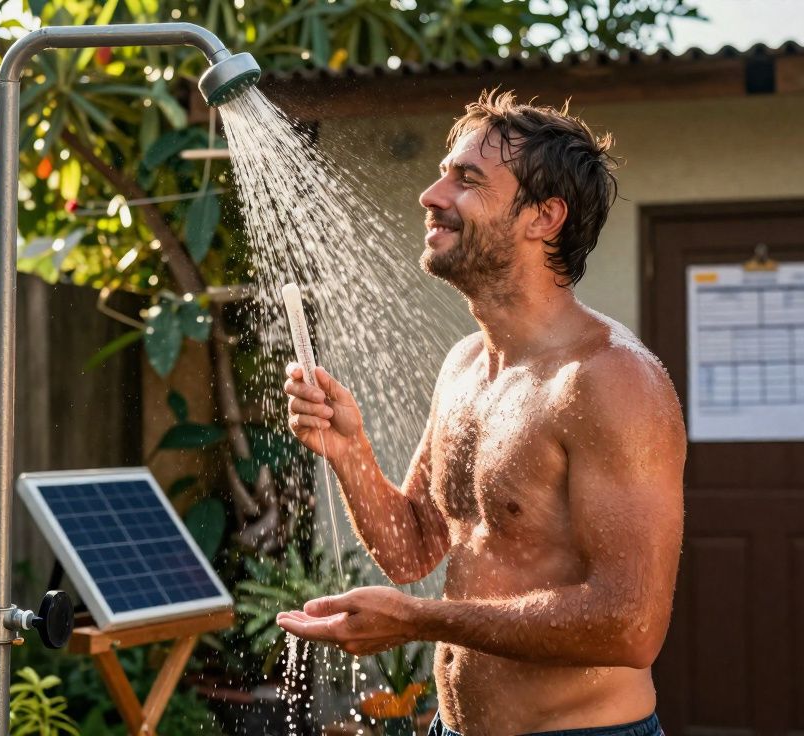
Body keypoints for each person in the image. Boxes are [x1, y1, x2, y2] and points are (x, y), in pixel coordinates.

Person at [277, 90, 686, 736]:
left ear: (544, 218)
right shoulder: (466, 366)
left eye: (466, 180)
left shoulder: (610, 382)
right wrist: (349, 450)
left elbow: (630, 627)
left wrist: (417, 620)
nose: (431, 196)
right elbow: (413, 548)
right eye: (443, 173)